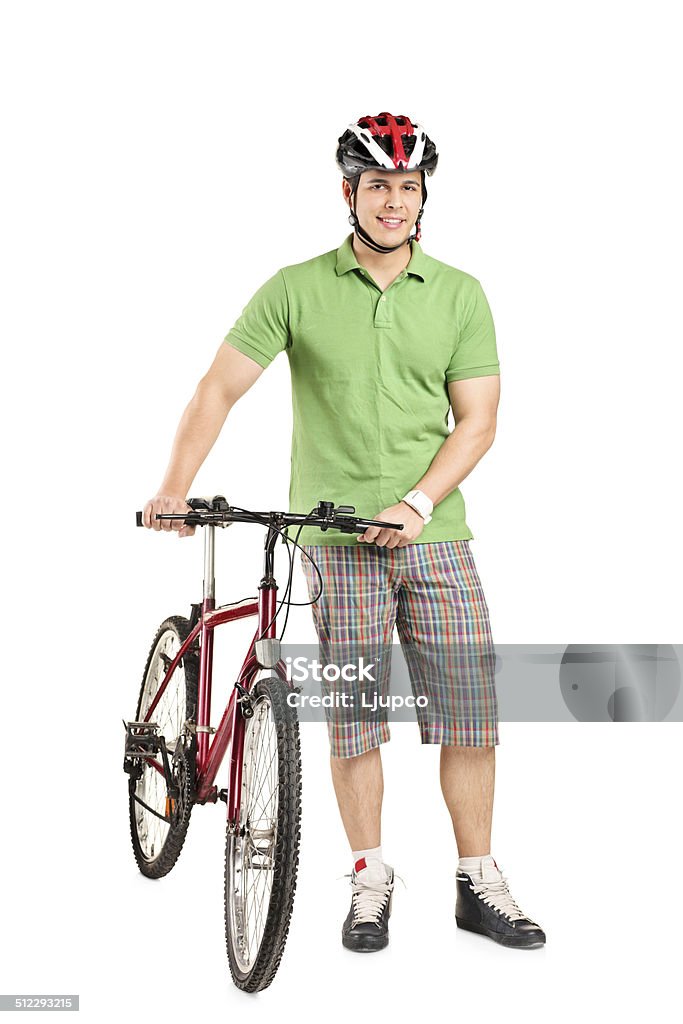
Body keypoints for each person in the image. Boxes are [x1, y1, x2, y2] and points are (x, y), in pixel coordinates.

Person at [142, 111, 546, 953]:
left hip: (435, 539)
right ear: (348, 194)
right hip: (332, 544)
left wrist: (418, 503)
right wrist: (174, 487)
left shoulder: (461, 293)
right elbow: (219, 387)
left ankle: (478, 882)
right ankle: (369, 880)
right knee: (356, 718)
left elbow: (478, 422)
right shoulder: (295, 287)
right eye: (377, 186)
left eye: (406, 186)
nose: (392, 202)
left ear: (422, 195)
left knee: (470, 714)